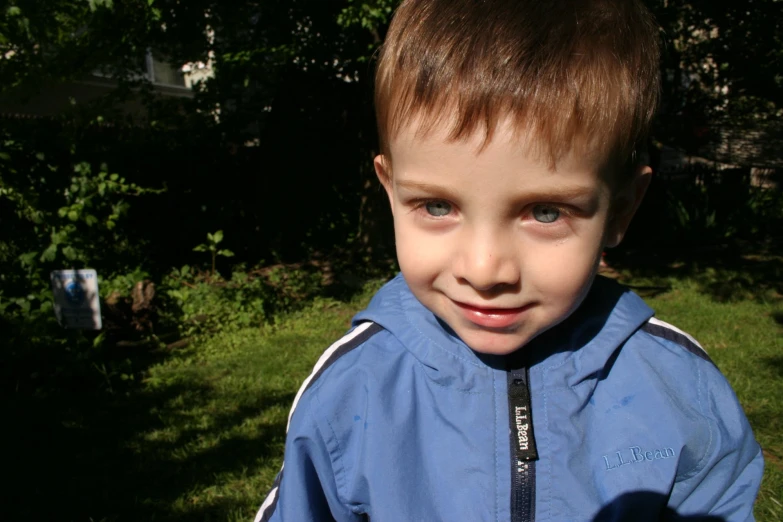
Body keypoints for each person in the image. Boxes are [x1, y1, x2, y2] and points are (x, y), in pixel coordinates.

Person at [254, 0, 764, 520]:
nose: (484, 270)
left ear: (622, 209)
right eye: (436, 206)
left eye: (545, 212)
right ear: (390, 191)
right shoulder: (352, 389)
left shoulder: (679, 391)